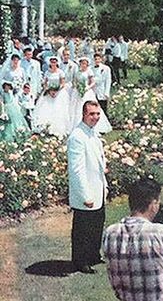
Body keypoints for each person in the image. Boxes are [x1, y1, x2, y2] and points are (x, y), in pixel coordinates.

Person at [67, 100, 107, 273]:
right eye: (92, 114)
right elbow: (76, 171)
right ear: (83, 114)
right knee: (83, 229)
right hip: (87, 192)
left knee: (97, 225)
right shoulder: (77, 137)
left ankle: (93, 255)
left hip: (98, 188)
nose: (95, 117)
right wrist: (85, 196)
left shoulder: (92, 133)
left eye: (97, 114)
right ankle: (80, 261)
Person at [69, 56, 112, 134]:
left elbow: (93, 82)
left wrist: (87, 88)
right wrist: (77, 87)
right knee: (76, 108)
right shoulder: (78, 72)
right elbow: (74, 81)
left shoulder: (89, 71)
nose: (83, 65)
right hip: (78, 92)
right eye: (82, 63)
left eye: (85, 64)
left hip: (87, 91)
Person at [31, 56, 71, 138]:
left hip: (59, 93)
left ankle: (57, 129)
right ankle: (45, 128)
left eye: (54, 61)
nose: (53, 63)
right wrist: (49, 90)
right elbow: (45, 83)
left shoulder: (60, 72)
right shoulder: (47, 72)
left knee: (59, 110)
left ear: (57, 63)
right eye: (51, 61)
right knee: (45, 110)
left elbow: (63, 83)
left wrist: (56, 90)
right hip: (49, 92)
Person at [92, 52, 112, 117]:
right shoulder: (91, 68)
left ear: (101, 59)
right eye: (95, 59)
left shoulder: (106, 68)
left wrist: (106, 92)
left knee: (103, 108)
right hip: (94, 91)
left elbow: (108, 81)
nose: (97, 61)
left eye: (98, 59)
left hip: (102, 90)